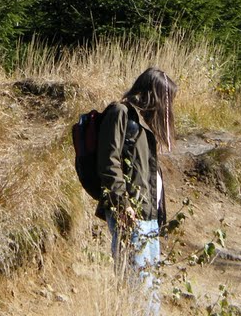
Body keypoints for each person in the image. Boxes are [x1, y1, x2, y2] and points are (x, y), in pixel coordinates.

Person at [96, 68, 178, 316]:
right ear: (153, 94)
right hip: (130, 216)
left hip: (149, 217)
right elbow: (108, 164)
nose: (167, 106)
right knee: (137, 288)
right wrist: (123, 205)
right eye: (166, 99)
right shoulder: (120, 113)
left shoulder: (144, 124)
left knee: (150, 287)